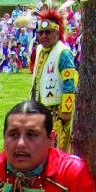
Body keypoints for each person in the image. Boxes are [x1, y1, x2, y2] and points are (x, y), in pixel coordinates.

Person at [30, 9, 77, 151]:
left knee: (56, 151)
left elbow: (70, 83)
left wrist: (67, 111)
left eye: (48, 32)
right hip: (38, 109)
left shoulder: (63, 52)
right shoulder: (39, 49)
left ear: (57, 33)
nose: (43, 36)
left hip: (57, 112)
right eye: (40, 33)